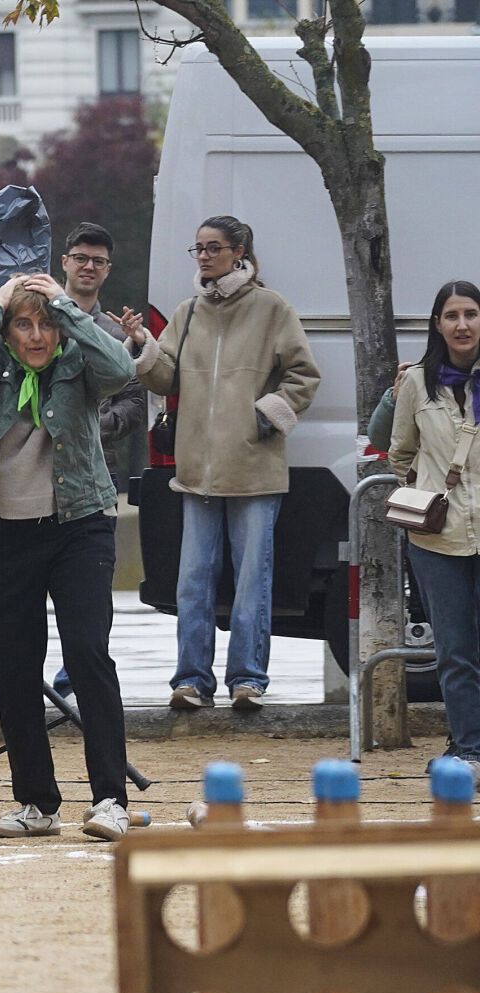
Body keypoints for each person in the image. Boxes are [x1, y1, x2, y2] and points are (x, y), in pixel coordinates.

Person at [0, 273, 137, 841]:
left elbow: (121, 369)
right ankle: (36, 803)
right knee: (13, 667)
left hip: (79, 525)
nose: (37, 336)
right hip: (4, 532)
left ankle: (110, 800)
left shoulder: (79, 363)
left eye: (46, 325)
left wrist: (66, 305)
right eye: (24, 325)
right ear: (7, 332)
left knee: (87, 653)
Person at [120, 215, 320, 713]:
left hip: (255, 471)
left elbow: (303, 375)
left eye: (213, 248)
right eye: (199, 249)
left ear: (239, 252)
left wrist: (265, 416)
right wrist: (143, 344)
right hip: (196, 474)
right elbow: (164, 379)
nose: (204, 257)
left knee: (254, 582)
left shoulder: (272, 308)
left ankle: (248, 679)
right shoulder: (187, 312)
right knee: (192, 583)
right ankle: (191, 680)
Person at [51, 223, 148, 699]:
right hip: (37, 476)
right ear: (64, 262)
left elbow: (135, 404)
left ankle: (81, 675)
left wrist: (95, 424)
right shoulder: (38, 323)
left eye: (98, 261)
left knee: (90, 588)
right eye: (81, 258)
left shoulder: (115, 334)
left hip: (96, 477)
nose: (88, 267)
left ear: (108, 270)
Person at [388, 279, 480, 768]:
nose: (462, 325)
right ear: (437, 325)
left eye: (471, 314)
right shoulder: (417, 383)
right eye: (452, 316)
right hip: (437, 538)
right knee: (454, 650)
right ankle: (469, 748)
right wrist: (429, 489)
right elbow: (400, 452)